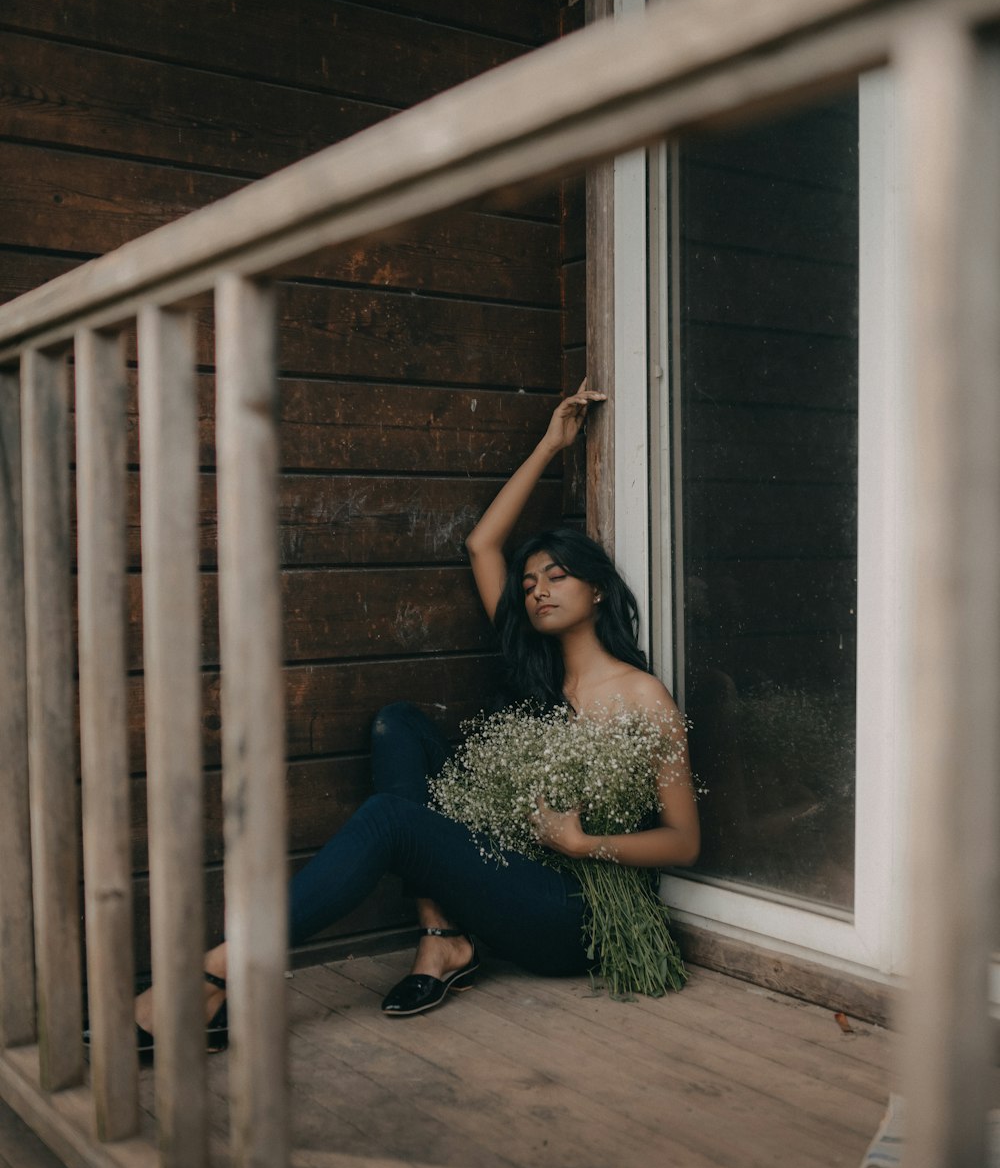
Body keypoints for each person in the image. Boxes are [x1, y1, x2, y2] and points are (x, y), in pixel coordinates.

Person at [132, 382, 700, 1047]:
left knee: (392, 821)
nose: (538, 590)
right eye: (530, 583)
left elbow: (685, 842)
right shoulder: (531, 665)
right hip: (507, 876)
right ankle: (442, 938)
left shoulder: (642, 698)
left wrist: (579, 843)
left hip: (570, 915)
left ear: (597, 588)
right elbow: (483, 545)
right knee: (398, 722)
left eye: (557, 576)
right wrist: (552, 442)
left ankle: (220, 972)